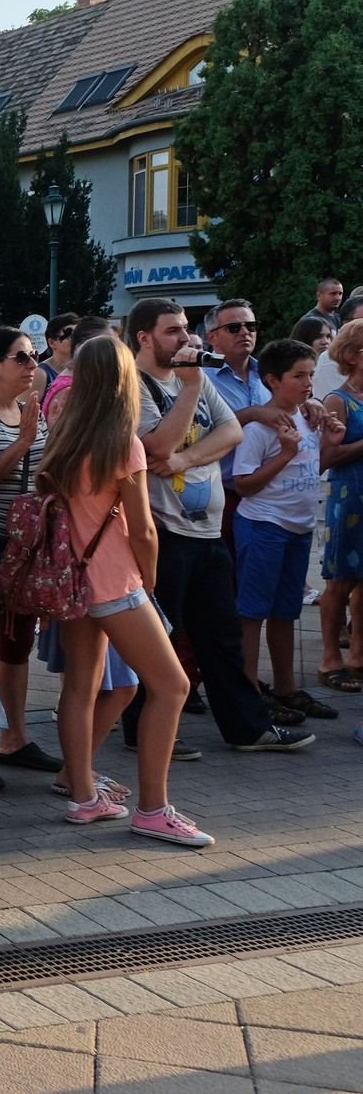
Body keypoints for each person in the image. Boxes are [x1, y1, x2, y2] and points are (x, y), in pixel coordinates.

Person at [120, 298, 313, 754]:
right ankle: (142, 732)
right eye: (172, 331)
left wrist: (186, 458)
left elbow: (231, 432)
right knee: (159, 637)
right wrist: (189, 391)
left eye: (185, 328)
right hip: (162, 530)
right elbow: (157, 445)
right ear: (144, 337)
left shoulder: (195, 378)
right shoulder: (134, 385)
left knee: (222, 637)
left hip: (206, 531)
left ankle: (247, 728)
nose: (185, 338)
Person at [42, 334, 211, 844]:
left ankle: (83, 797)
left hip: (71, 582)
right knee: (172, 686)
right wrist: (149, 581)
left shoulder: (62, 436)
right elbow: (143, 530)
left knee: (80, 688)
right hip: (115, 581)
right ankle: (154, 809)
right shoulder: (123, 443)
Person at [0, 326, 61, 774]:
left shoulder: (29, 411)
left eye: (34, 355)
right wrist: (22, 442)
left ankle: (14, 739)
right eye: (21, 357)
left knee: (17, 642)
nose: (32, 364)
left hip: (25, 547)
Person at [230, 339, 332, 717]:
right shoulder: (260, 428)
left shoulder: (307, 417)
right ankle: (249, 695)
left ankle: (287, 689)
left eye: (310, 375)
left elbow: (310, 469)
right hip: (264, 525)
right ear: (273, 380)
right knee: (252, 611)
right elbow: (243, 484)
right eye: (298, 376)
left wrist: (330, 442)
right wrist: (286, 453)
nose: (308, 383)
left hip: (298, 528)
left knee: (285, 611)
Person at [319, 318, 363, 690]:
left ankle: (358, 656)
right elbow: (328, 457)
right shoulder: (338, 399)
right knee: (339, 581)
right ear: (355, 355)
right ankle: (330, 658)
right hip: (349, 499)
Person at [40, 314, 79, 389]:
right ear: (52, 343)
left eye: (80, 335)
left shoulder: (82, 370)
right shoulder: (41, 373)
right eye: (71, 336)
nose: (77, 340)